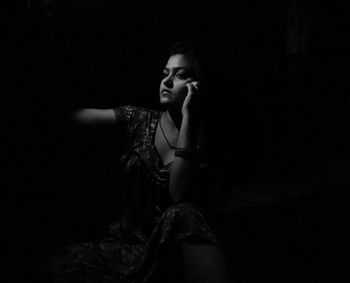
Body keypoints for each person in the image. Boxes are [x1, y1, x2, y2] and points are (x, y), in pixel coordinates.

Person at [44, 42, 231, 283]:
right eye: (165, 74)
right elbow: (77, 117)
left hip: (169, 252)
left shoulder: (205, 139)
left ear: (199, 85)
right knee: (53, 265)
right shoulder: (138, 119)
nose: (167, 81)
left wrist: (189, 116)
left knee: (184, 213)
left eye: (181, 75)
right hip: (125, 247)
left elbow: (178, 194)